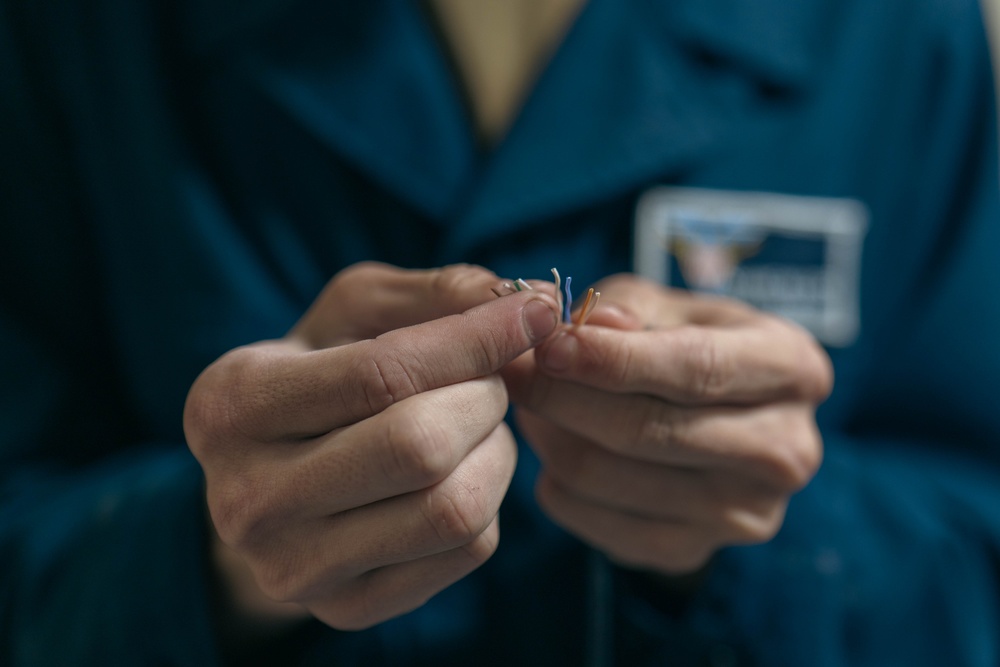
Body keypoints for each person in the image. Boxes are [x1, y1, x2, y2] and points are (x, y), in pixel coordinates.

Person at [2, 1, 999, 665]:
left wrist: (776, 532)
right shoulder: (84, 33)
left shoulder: (890, 30)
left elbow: (972, 552)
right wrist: (213, 556)